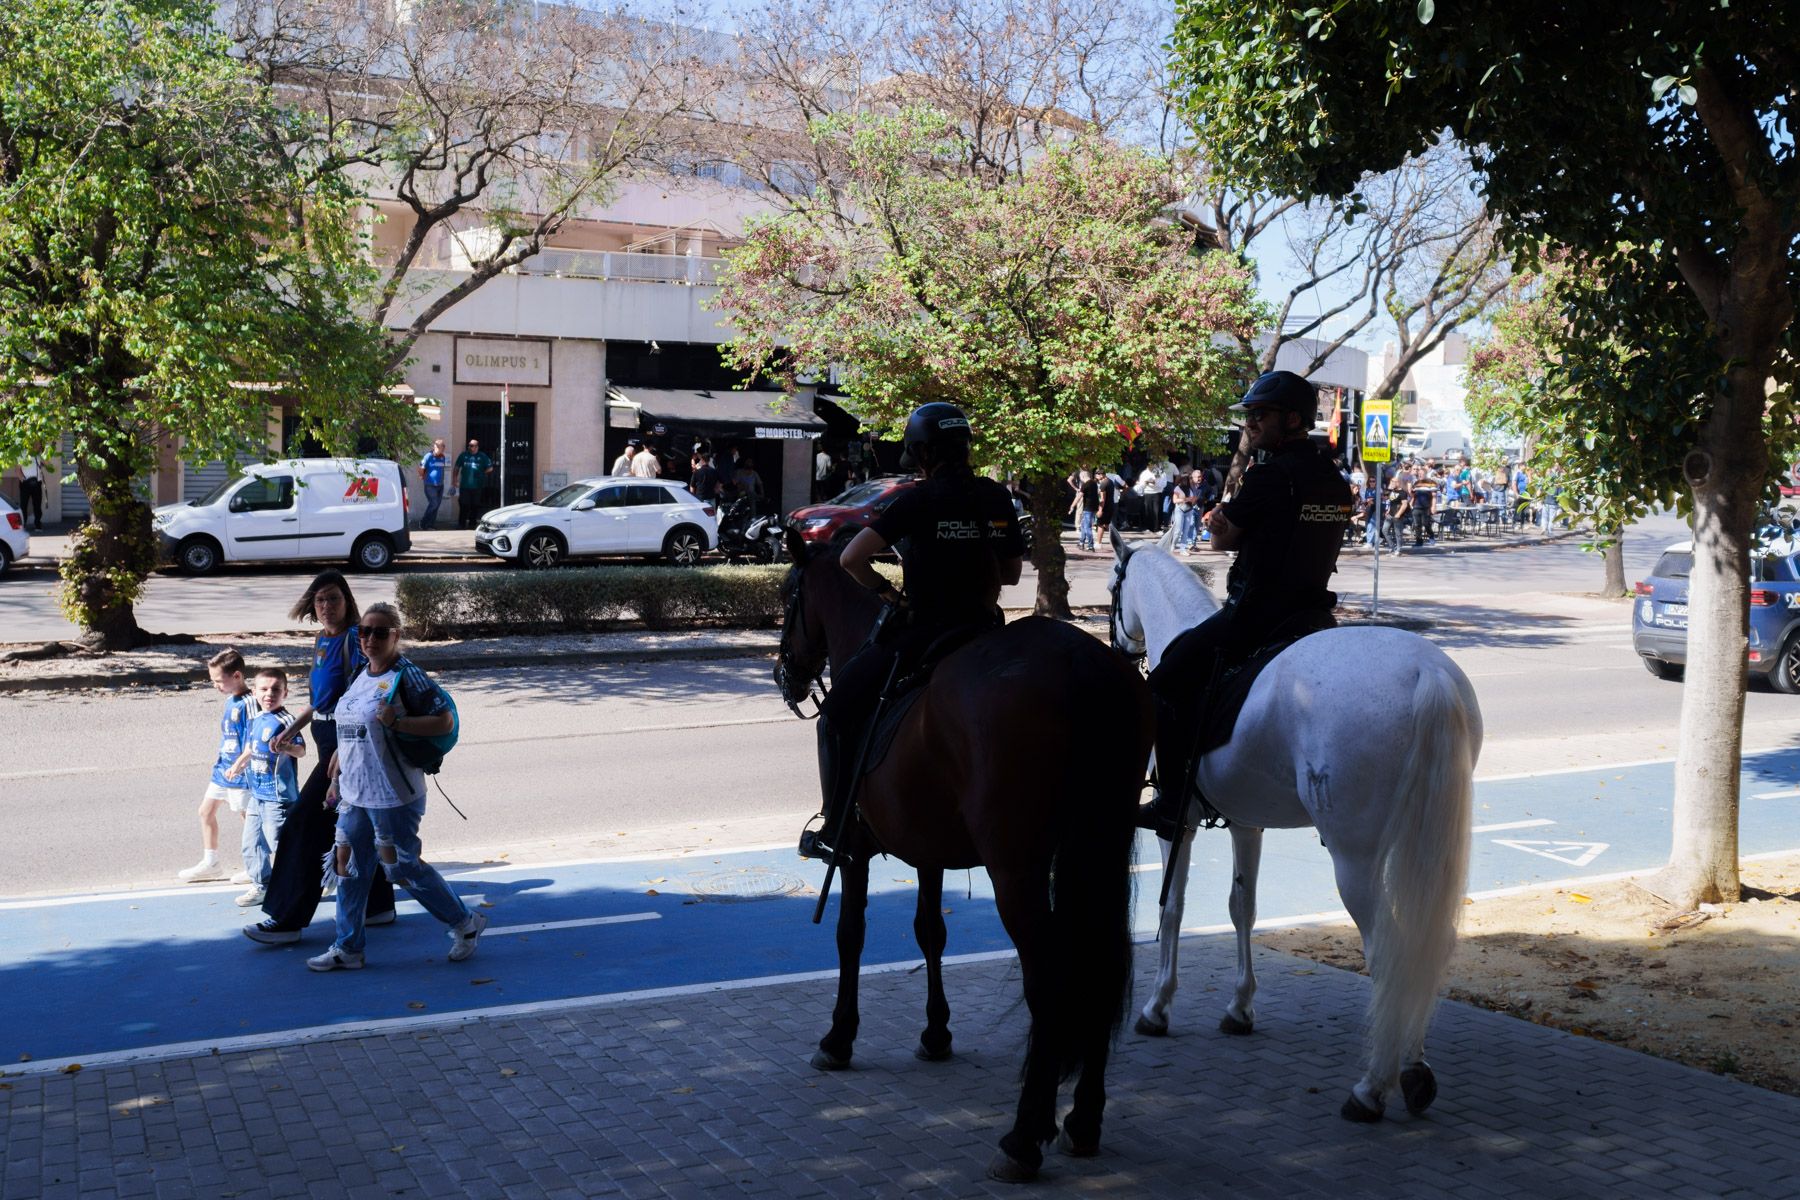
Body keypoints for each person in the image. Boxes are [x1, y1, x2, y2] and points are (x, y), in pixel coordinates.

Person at [797, 402, 1024, 861]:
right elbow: (1013, 574)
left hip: (925, 632)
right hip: (984, 629)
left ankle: (837, 826)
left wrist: (887, 593)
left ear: (920, 454)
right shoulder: (995, 497)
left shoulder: (913, 501)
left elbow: (848, 559)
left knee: (836, 716)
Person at [1137, 371, 1353, 840]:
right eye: (1249, 416)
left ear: (1292, 419)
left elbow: (1221, 540)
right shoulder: (1334, 479)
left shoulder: (1269, 475)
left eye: (1260, 415)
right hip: (1315, 616)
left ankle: (1172, 804)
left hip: (1257, 616)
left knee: (1165, 681)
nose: (1250, 424)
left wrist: (1221, 521)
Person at [308, 602, 484, 972]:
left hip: (392, 795)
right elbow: (354, 724)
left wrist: (400, 724)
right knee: (348, 866)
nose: (369, 638)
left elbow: (443, 721)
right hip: (354, 793)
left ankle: (465, 923)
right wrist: (338, 768)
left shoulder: (408, 675)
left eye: (379, 632)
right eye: (363, 632)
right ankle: (348, 947)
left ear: (396, 636)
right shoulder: (360, 671)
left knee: (401, 869)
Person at [244, 571, 397, 945]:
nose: (326, 607)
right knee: (349, 822)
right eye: (319, 600)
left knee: (302, 824)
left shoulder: (353, 641)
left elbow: (360, 702)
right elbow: (320, 700)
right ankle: (377, 905)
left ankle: (287, 918)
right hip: (328, 739)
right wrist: (291, 727)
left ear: (348, 601)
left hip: (347, 746)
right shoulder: (321, 642)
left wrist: (345, 753)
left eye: (333, 598)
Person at [225, 667, 306, 909]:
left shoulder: (286, 721)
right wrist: (238, 765)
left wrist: (285, 748)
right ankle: (262, 885)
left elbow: (301, 750)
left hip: (278, 797)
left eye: (275, 689)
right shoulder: (258, 718)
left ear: (285, 693)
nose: (269, 694)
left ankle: (300, 884)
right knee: (252, 844)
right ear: (255, 692)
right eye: (264, 689)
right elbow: (251, 747)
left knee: (281, 845)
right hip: (257, 794)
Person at [178, 649, 256, 882]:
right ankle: (211, 862)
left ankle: (255, 866)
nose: (215, 686)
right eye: (213, 681)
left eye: (218, 681)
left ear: (237, 676)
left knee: (248, 818)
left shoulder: (250, 703)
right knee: (206, 811)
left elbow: (253, 740)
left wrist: (241, 765)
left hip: (240, 772)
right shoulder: (231, 701)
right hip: (223, 769)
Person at [452, 439, 493, 530]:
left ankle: (472, 523)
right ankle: (461, 524)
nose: (469, 447)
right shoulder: (463, 455)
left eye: (472, 445)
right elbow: (456, 467)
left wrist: (482, 473)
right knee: (463, 504)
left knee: (475, 505)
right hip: (465, 485)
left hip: (477, 486)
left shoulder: (482, 456)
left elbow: (490, 468)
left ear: (477, 447)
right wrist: (454, 479)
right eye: (469, 445)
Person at [1171, 469, 1204, 553]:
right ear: (1181, 480)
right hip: (1179, 510)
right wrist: (1186, 499)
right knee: (1178, 530)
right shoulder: (1177, 488)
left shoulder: (1191, 489)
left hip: (1189, 510)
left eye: (1188, 479)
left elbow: (1192, 502)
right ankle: (1173, 545)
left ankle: (1183, 549)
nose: (1187, 481)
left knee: (1186, 530)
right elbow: (1174, 501)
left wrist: (1193, 500)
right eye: (1185, 479)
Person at [417, 439, 447, 530]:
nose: (439, 449)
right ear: (434, 447)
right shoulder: (428, 456)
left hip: (440, 485)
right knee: (434, 504)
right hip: (430, 485)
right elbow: (421, 467)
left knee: (436, 505)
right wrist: (422, 475)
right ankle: (423, 523)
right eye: (438, 447)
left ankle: (430, 524)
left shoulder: (443, 457)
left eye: (441, 447)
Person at [1068, 469, 1097, 551]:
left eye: (1080, 478)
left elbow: (1078, 497)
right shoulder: (1094, 483)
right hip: (1093, 507)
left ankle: (1091, 545)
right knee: (1084, 525)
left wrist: (1072, 506)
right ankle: (1081, 542)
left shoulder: (1085, 485)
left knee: (1087, 527)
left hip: (1088, 508)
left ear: (1083, 476)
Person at [17, 457, 44, 531]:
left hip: (37, 482)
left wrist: (45, 454)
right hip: (25, 482)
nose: (38, 445)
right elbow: (18, 469)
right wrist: (23, 480)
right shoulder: (22, 453)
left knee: (37, 504)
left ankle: (38, 525)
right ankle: (23, 524)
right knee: (23, 504)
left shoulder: (39, 454)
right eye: (37, 444)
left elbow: (47, 464)